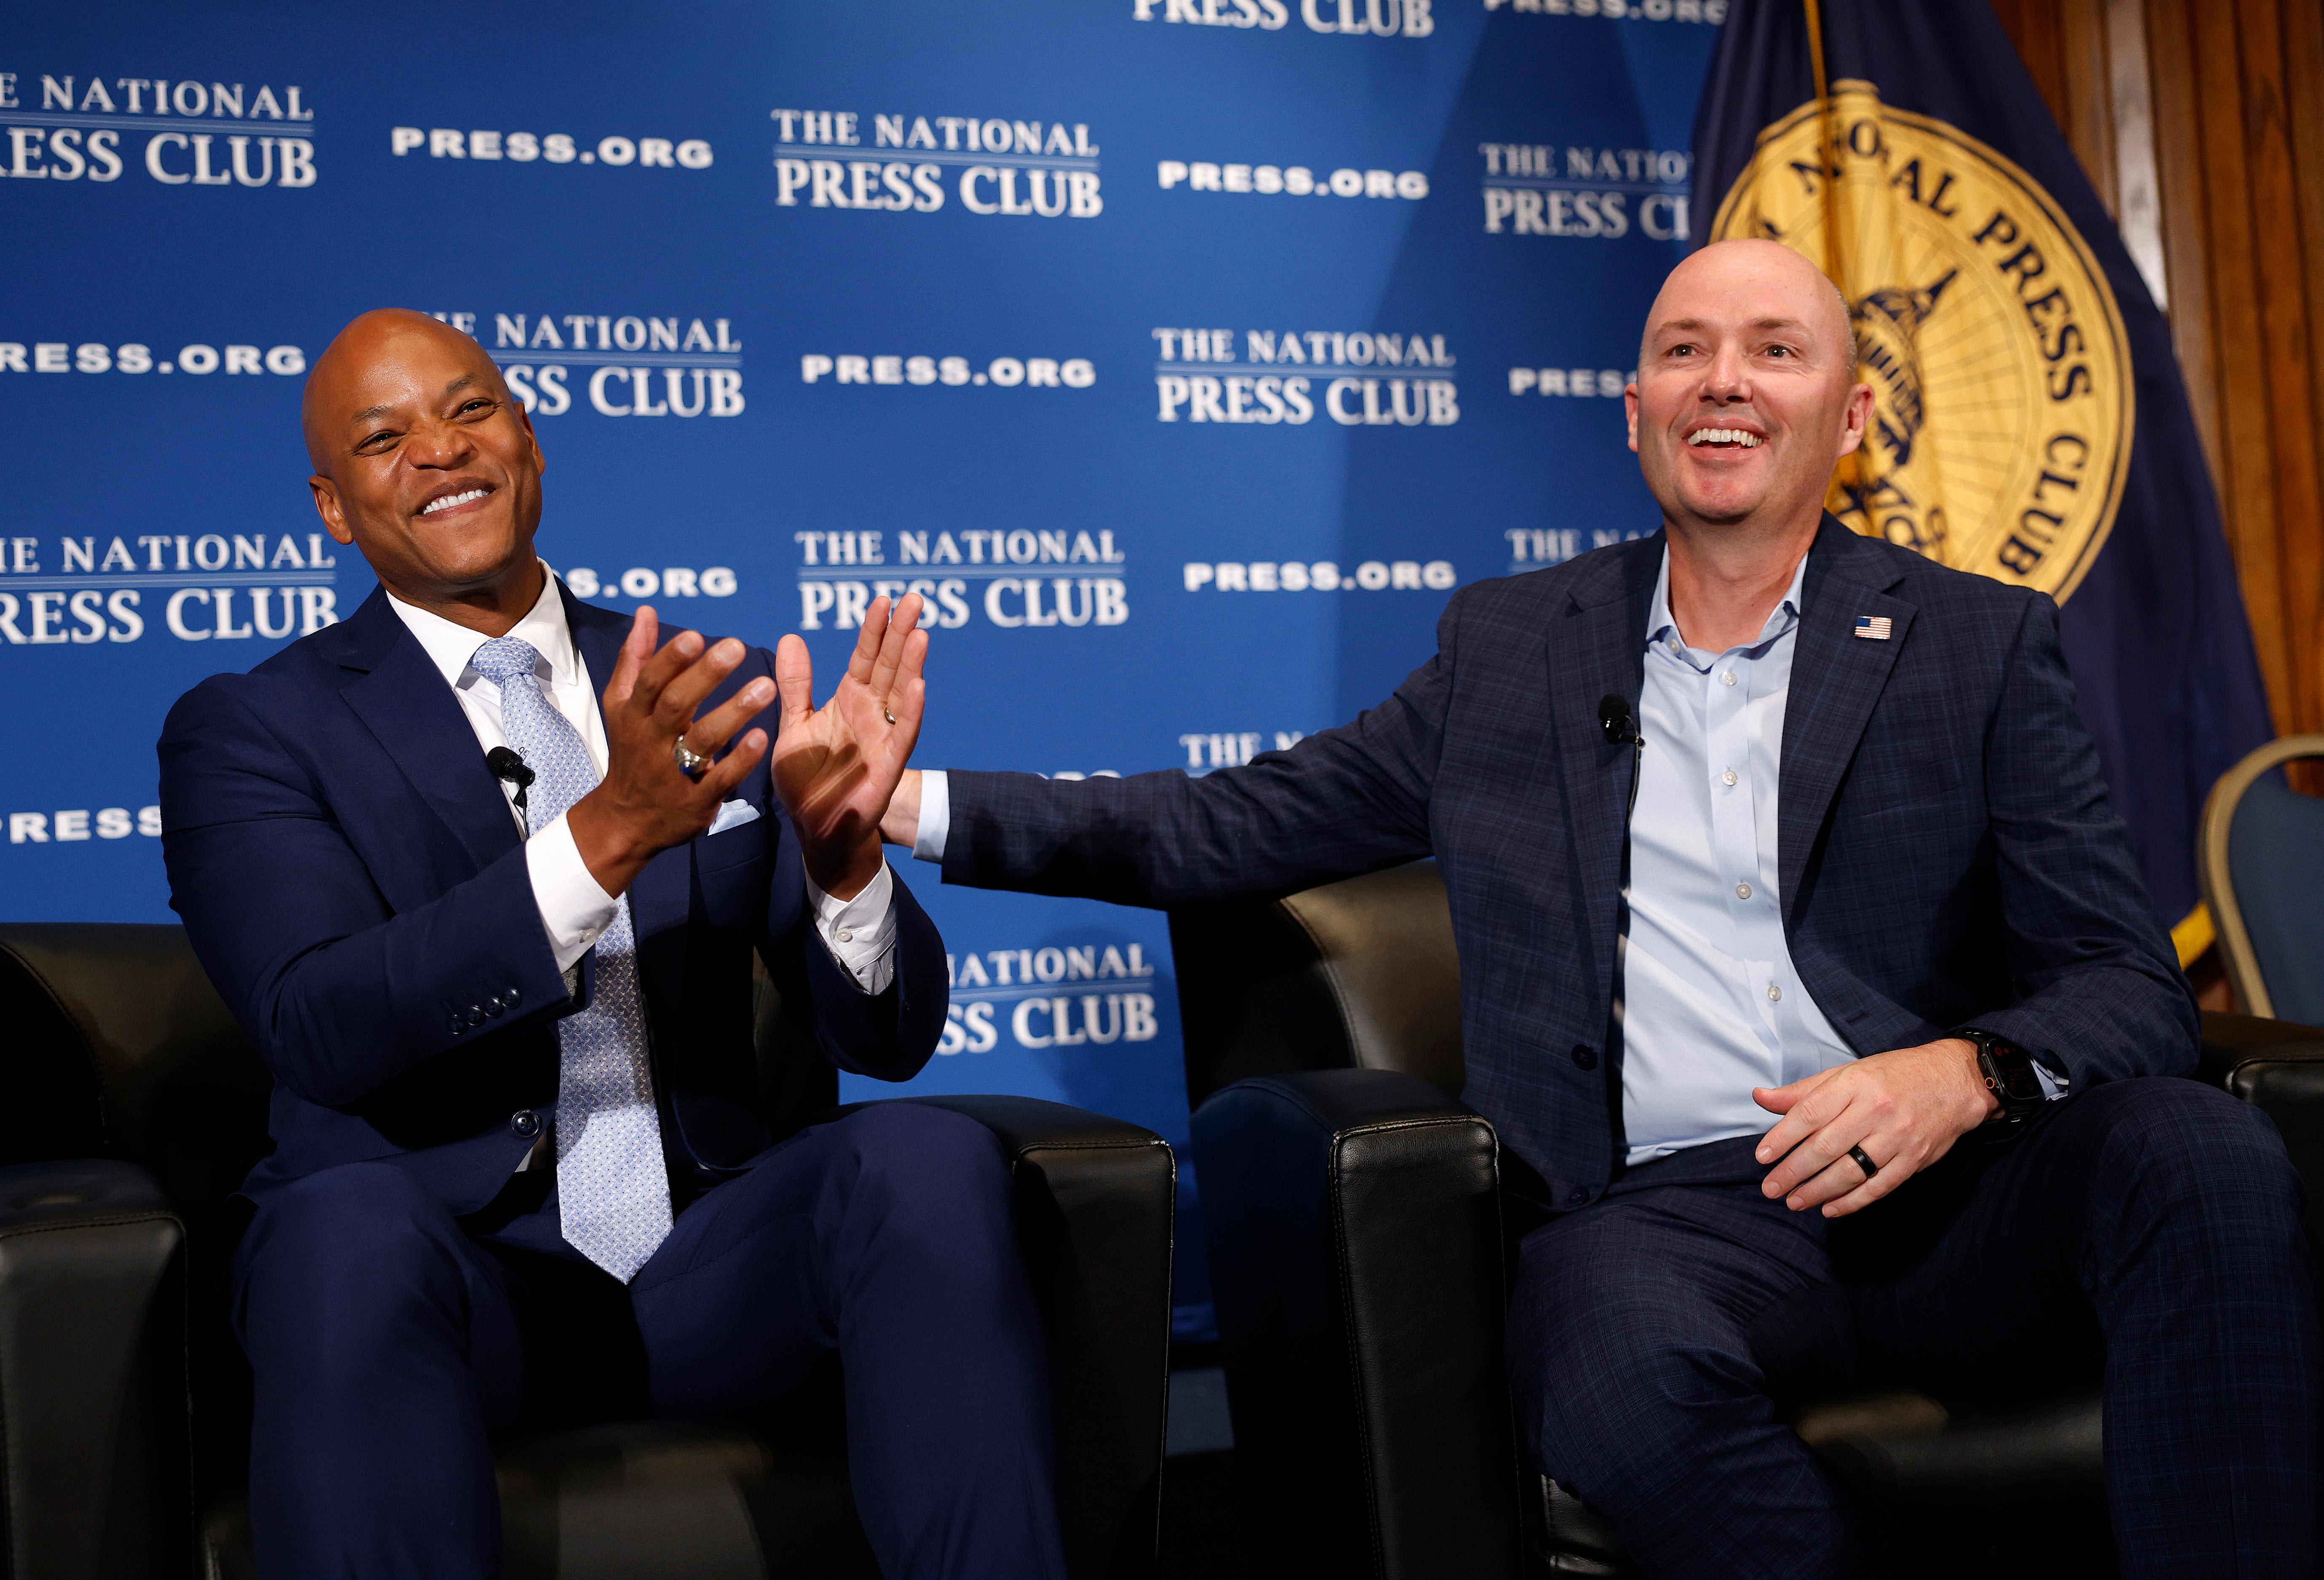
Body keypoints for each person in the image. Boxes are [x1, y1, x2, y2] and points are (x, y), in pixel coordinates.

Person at [880, 241, 2321, 1574]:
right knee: (1610, 1371)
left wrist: (1958, 1076)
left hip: (1946, 1184)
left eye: (1773, 350)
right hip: (1670, 1214)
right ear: (1634, 413)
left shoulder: (1975, 642)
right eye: (1685, 352)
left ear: (1855, 412)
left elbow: (2124, 981)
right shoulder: (1509, 649)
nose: (1724, 382)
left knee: (2195, 1148)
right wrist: (906, 806)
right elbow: (1221, 825)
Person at [159, 310, 1066, 1579]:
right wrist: (607, 836)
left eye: (469, 410)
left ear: (527, 437)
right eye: (383, 439)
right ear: (332, 507)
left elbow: (886, 1039)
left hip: (705, 1269)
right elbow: (319, 1022)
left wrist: (843, 862)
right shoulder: (252, 730)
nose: (436, 449)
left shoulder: (702, 683)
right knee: (337, 1232)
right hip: (446, 1285)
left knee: (922, 1158)